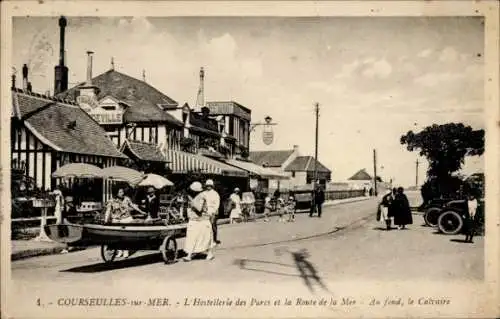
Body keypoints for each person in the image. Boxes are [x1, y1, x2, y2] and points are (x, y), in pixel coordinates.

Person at [183, 181, 214, 261]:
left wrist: (191, 201)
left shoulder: (202, 196)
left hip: (202, 220)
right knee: (191, 237)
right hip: (194, 220)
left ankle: (209, 254)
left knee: (205, 238)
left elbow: (199, 208)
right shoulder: (196, 196)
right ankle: (189, 254)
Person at [202, 179, 221, 245]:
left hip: (213, 211)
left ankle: (214, 240)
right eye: (207, 186)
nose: (208, 187)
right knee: (206, 227)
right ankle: (207, 240)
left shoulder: (215, 193)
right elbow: (202, 202)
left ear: (212, 186)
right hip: (206, 212)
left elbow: (217, 203)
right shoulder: (204, 193)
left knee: (213, 226)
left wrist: (215, 211)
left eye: (210, 186)